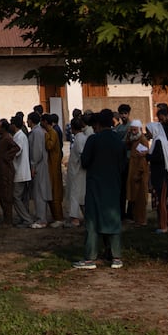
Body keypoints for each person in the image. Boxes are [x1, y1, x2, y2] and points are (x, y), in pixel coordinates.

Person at [72, 109, 126, 270]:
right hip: (114, 185)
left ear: (97, 124)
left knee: (93, 221)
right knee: (113, 219)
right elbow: (124, 164)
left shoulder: (93, 140)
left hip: (96, 185)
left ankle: (90, 258)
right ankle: (116, 256)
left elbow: (85, 161)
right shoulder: (118, 140)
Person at [64, 114, 90, 224]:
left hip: (77, 171)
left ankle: (74, 218)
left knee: (75, 195)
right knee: (79, 195)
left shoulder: (79, 139)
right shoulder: (82, 138)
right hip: (77, 171)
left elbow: (81, 154)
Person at [0, 118, 20, 225]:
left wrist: (7, 157)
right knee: (3, 195)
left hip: (6, 170)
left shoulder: (7, 138)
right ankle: (6, 218)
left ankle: (8, 220)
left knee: (6, 196)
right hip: (1, 169)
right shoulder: (2, 138)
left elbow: (16, 148)